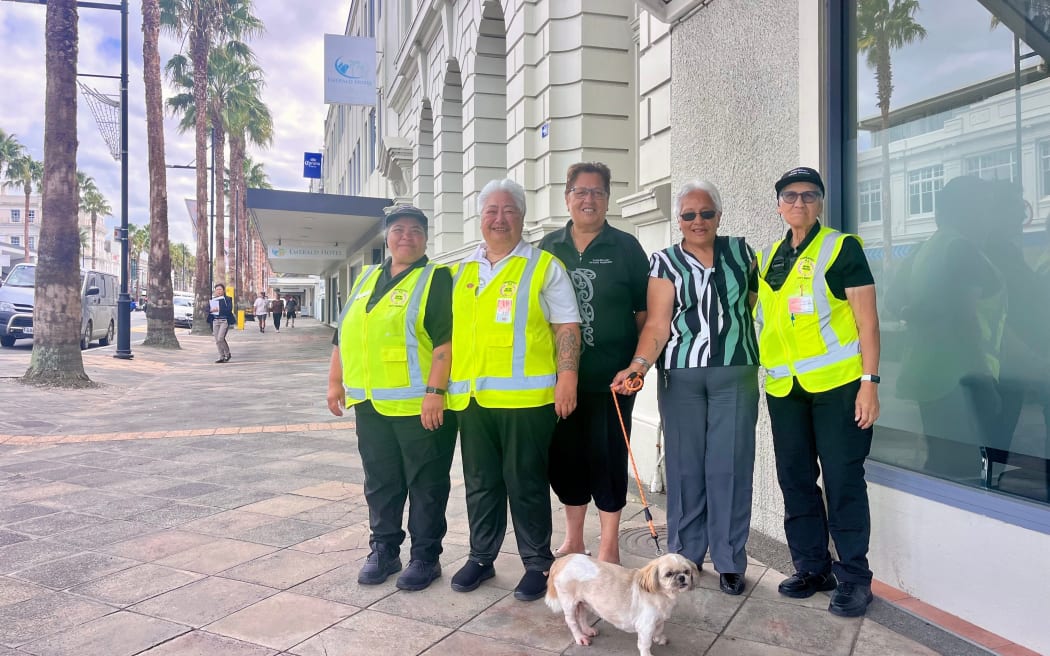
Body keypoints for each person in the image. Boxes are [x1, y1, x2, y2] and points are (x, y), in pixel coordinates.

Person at [612, 180, 760, 597]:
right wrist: (639, 364)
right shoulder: (664, 261)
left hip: (736, 372)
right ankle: (686, 558)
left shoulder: (743, 253)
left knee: (729, 467)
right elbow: (658, 323)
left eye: (706, 213)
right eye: (689, 215)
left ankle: (730, 561)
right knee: (684, 468)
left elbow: (746, 305)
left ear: (719, 216)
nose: (698, 221)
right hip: (682, 376)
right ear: (678, 220)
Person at [448, 178, 581, 602]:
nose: (499, 218)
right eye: (491, 210)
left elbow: (566, 327)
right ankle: (481, 557)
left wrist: (568, 377)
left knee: (525, 482)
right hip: (472, 399)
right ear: (480, 218)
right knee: (480, 482)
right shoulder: (460, 272)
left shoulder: (543, 266)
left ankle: (537, 563)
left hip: (528, 401)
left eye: (509, 210)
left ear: (522, 217)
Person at [754, 167, 880, 618]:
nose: (799, 203)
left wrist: (870, 383)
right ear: (779, 205)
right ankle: (812, 567)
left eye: (809, 195)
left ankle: (855, 579)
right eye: (790, 196)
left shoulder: (841, 248)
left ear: (821, 202)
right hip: (786, 389)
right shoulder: (768, 256)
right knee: (795, 479)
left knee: (844, 480)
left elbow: (867, 320)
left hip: (839, 387)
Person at [326, 205, 457, 592]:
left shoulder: (437, 278)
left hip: (422, 407)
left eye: (415, 230)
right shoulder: (366, 278)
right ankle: (384, 549)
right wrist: (336, 382)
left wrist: (435, 391)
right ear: (387, 236)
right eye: (398, 229)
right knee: (380, 482)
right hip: (371, 404)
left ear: (425, 238)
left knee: (426, 484)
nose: (406, 236)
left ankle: (425, 557)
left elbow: (446, 342)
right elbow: (343, 335)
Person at [538, 162, 649, 565]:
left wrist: (637, 368)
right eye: (581, 192)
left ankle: (609, 544)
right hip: (558, 379)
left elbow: (645, 315)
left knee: (608, 459)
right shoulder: (547, 248)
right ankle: (573, 539)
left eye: (598, 192)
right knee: (566, 459)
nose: (589, 199)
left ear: (608, 198)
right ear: (567, 197)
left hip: (613, 379)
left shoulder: (627, 248)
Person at [208, 283, 236, 363]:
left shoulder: (228, 299)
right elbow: (211, 311)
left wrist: (219, 308)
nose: (218, 291)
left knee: (221, 338)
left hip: (224, 321)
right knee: (217, 340)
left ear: (223, 290)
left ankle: (227, 353)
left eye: (220, 289)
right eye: (217, 290)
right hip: (215, 321)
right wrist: (210, 309)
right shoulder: (213, 299)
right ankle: (221, 356)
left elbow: (229, 309)